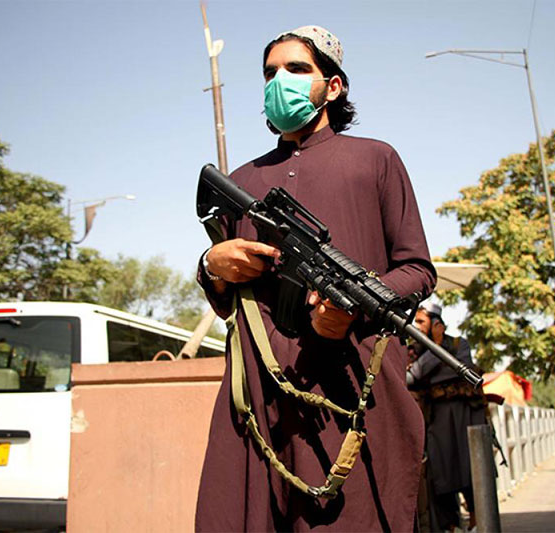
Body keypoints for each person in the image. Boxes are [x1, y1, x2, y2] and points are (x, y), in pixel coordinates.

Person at [194, 25, 436, 531]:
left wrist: (353, 309)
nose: (279, 80)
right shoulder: (242, 180)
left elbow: (417, 270)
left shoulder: (375, 159)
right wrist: (213, 266)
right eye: (270, 73)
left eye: (297, 68)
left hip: (348, 385)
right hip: (258, 389)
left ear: (334, 85)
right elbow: (225, 297)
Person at [407, 301, 486, 532]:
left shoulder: (459, 344)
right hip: (436, 417)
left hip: (465, 415)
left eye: (421, 321)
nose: (416, 326)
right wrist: (437, 348)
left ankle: (478, 518)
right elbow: (412, 376)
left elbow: (463, 369)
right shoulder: (415, 349)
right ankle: (450, 525)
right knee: (441, 472)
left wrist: (436, 353)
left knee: (470, 467)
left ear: (436, 323)